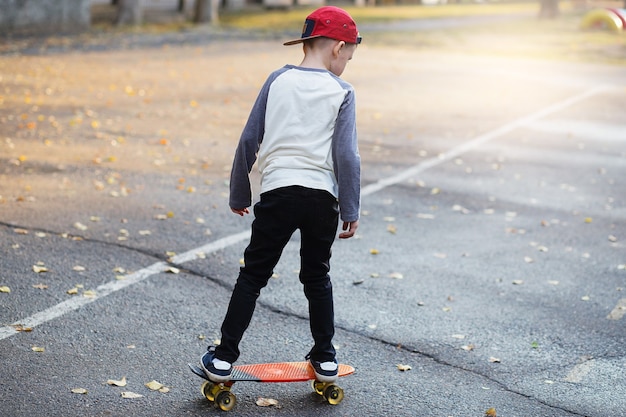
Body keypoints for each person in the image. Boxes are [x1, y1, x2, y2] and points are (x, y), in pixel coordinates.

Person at [200, 6, 362, 384]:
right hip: (322, 200)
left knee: (253, 275)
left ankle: (224, 357)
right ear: (338, 48)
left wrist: (240, 191)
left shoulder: (277, 80)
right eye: (349, 57)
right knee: (317, 276)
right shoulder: (342, 91)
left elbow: (248, 139)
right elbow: (346, 155)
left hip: (277, 193)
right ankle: (324, 358)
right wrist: (350, 206)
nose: (346, 65)